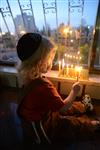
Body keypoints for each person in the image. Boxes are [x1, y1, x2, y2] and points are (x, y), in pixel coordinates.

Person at [16, 33, 100, 147]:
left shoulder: (26, 77)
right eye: (50, 58)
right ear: (40, 62)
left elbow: (52, 103)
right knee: (69, 124)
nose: (52, 61)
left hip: (38, 114)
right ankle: (94, 125)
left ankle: (84, 106)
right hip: (43, 126)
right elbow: (63, 108)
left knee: (70, 104)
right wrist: (74, 91)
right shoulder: (43, 87)